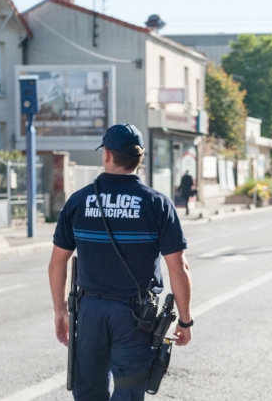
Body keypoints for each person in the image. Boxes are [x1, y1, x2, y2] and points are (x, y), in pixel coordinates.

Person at [48, 123, 194, 401]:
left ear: (106, 154)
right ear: (139, 159)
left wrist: (60, 311)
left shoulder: (78, 201)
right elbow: (179, 267)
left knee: (88, 392)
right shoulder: (157, 204)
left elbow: (57, 263)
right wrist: (185, 321)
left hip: (89, 311)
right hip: (135, 317)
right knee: (129, 391)